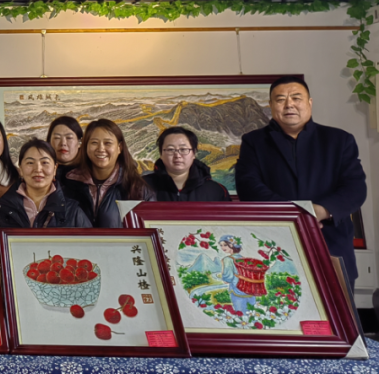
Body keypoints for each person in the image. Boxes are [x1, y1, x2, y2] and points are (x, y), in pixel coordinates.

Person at [235, 76, 367, 294]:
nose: (289, 104)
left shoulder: (339, 139)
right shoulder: (254, 141)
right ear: (271, 105)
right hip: (275, 241)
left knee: (337, 307)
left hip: (331, 240)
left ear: (309, 103)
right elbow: (248, 185)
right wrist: (295, 214)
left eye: (296, 98)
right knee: (280, 304)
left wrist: (320, 211)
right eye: (280, 99)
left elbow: (355, 188)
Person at [0, 139, 91, 239]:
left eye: (45, 162)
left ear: (54, 169)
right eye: (30, 163)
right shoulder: (2, 209)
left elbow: (89, 248)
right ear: (21, 169)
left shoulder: (72, 211)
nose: (38, 169)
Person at [60, 119, 155, 228]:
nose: (101, 149)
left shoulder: (138, 190)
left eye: (107, 143)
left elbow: (151, 231)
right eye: (94, 143)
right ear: (86, 147)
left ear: (119, 148)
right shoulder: (66, 183)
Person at [143, 126, 230, 202]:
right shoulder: (143, 186)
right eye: (170, 149)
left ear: (194, 153)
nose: (177, 155)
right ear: (161, 154)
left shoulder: (215, 190)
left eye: (183, 149)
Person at [218, 235, 255, 314]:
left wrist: (223, 270)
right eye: (221, 245)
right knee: (252, 314)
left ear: (231, 245)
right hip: (250, 291)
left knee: (241, 315)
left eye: (225, 245)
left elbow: (228, 279)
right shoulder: (244, 258)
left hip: (237, 291)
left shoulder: (227, 259)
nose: (222, 247)